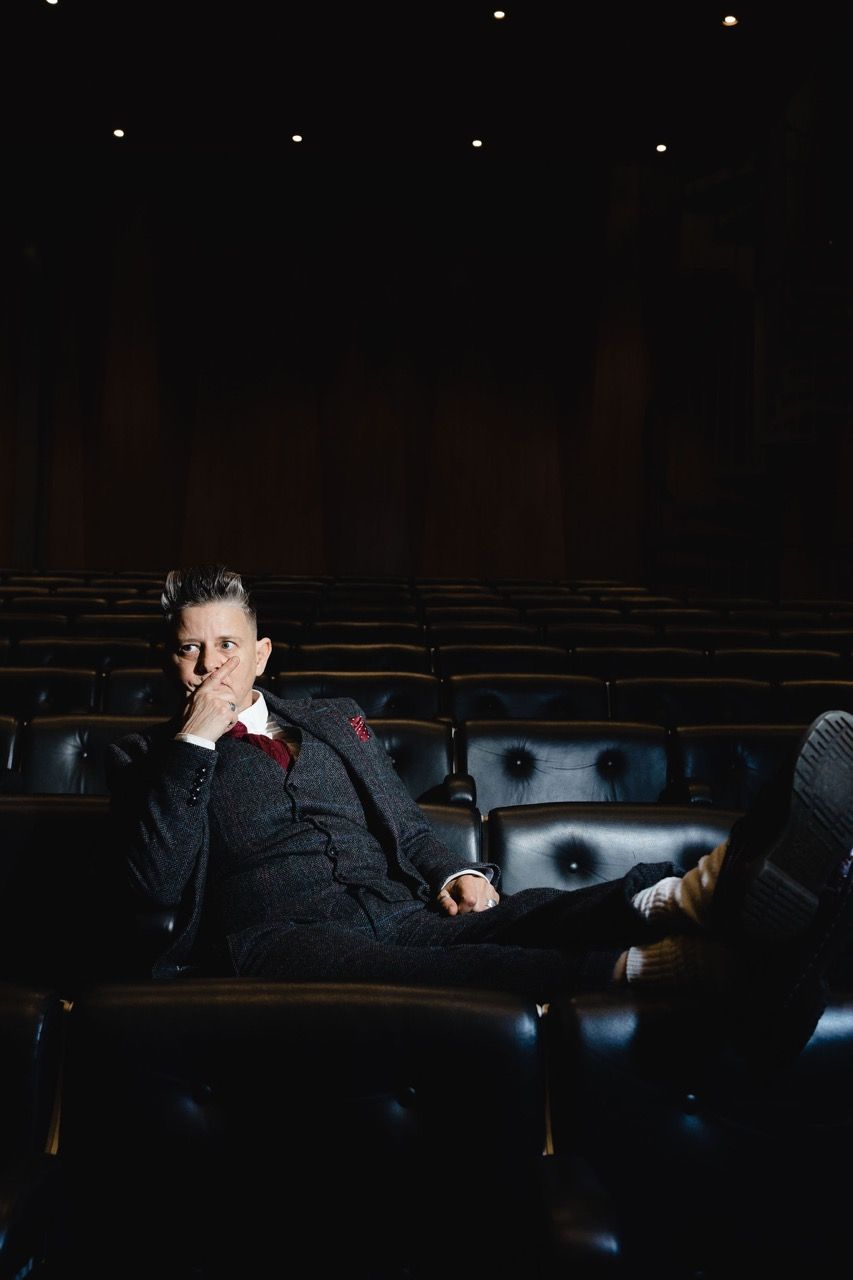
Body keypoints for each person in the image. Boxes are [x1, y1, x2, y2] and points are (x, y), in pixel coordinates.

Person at [106, 565, 853, 1061]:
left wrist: (457, 869)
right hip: (276, 943)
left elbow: (403, 825)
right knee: (475, 965)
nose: (211, 666)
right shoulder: (152, 764)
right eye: (189, 650)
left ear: (262, 654)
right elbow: (154, 887)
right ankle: (694, 963)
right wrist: (196, 740)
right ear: (168, 662)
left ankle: (706, 893)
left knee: (526, 913)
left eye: (227, 645)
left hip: (400, 912)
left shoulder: (334, 717)